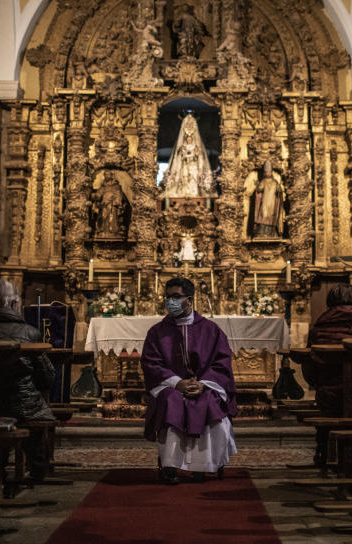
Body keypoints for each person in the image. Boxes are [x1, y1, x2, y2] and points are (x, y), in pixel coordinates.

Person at [141, 277, 237, 484]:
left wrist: (203, 384)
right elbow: (151, 363)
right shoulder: (157, 332)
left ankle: (202, 466)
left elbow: (222, 363)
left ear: (190, 299)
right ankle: (169, 466)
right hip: (171, 386)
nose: (170, 302)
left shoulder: (211, 330)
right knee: (171, 401)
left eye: (176, 297)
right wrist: (177, 382)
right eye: (167, 298)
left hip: (205, 385)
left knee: (208, 402)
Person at [0, 279, 56, 480]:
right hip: (24, 407)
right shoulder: (29, 333)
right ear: (14, 303)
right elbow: (46, 377)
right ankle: (39, 468)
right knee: (34, 417)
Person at [303, 283, 352, 416]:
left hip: (329, 398)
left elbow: (309, 367)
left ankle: (323, 436)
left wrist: (320, 386)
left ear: (330, 301)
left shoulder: (318, 330)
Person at [253, 159, 283, 237]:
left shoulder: (275, 182)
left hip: (272, 202)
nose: (267, 174)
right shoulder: (263, 181)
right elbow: (259, 189)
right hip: (265, 202)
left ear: (271, 172)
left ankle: (271, 231)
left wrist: (280, 190)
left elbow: (279, 191)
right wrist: (257, 185)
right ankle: (262, 231)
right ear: (264, 173)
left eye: (269, 172)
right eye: (266, 172)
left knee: (271, 216)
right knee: (263, 214)